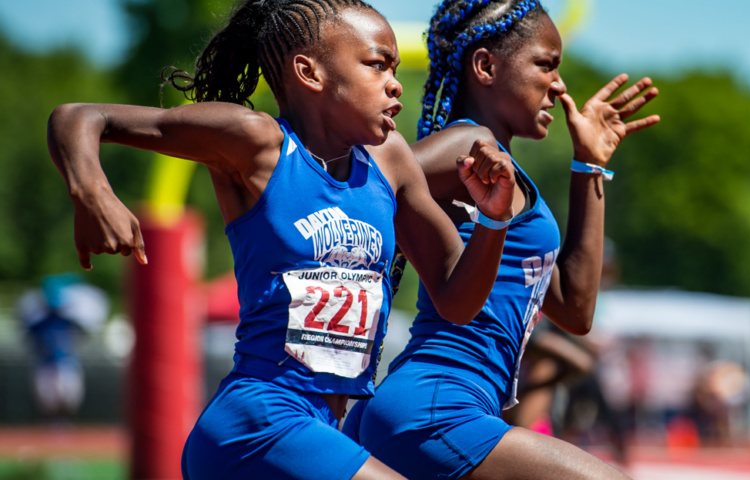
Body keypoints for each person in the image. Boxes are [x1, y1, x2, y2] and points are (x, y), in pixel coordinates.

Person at [46, 0, 519, 479]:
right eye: (377, 65)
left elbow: (458, 301)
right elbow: (79, 117)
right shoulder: (256, 142)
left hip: (322, 428)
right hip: (259, 420)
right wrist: (93, 195)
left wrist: (493, 220)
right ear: (309, 72)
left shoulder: (389, 160)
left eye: (394, 68)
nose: (395, 83)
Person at [342, 1, 660, 479]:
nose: (559, 84)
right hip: (434, 407)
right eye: (546, 64)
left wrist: (589, 166)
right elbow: (366, 180)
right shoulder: (467, 147)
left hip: (441, 407)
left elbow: (575, 309)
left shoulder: (502, 171)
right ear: (487, 66)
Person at [16, 272, 109, 420]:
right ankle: (52, 426)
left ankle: (64, 426)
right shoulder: (39, 320)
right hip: (46, 364)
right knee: (47, 402)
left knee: (69, 400)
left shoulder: (70, 319)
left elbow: (86, 330)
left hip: (67, 363)